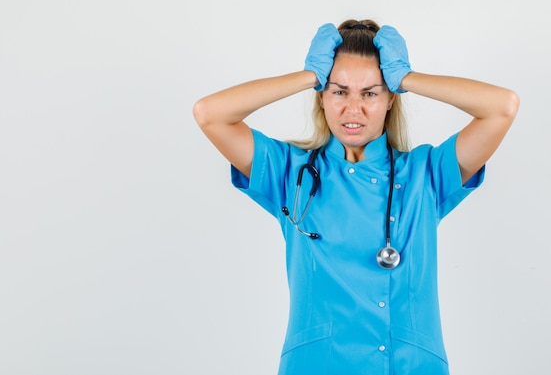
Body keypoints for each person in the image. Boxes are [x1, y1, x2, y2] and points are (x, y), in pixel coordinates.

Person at [193, 19, 519, 374]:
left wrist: (407, 78)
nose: (353, 109)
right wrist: (306, 76)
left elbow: (502, 106)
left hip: (409, 366)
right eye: (339, 91)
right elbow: (210, 114)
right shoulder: (290, 173)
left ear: (390, 97)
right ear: (321, 95)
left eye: (370, 93)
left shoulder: (425, 174)